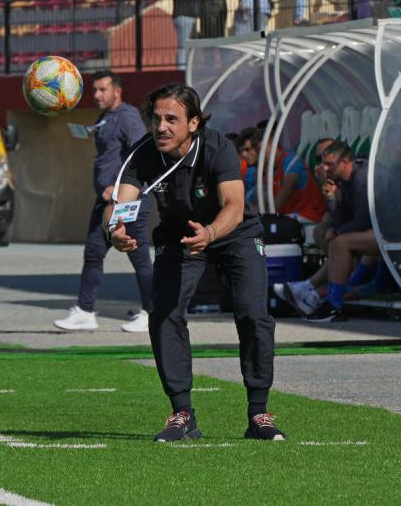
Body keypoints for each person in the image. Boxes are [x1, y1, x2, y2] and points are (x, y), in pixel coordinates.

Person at [106, 83, 285, 442]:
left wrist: (211, 233)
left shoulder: (218, 148)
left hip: (233, 232)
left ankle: (258, 413)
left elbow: (234, 206)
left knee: (253, 314)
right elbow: (119, 206)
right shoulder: (143, 154)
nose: (161, 127)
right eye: (156, 119)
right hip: (179, 236)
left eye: (171, 119)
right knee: (164, 313)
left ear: (194, 123)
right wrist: (115, 231)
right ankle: (183, 414)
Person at [54, 70, 153, 333]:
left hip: (128, 201)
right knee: (93, 253)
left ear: (117, 91)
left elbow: (140, 154)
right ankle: (85, 312)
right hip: (104, 202)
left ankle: (153, 313)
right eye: (94, 90)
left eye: (102, 90)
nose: (97, 95)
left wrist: (118, 186)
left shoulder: (128, 118)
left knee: (139, 256)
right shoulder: (106, 117)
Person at [283, 141, 375, 322]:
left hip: (390, 233)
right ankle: (325, 299)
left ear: (345, 162)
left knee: (340, 241)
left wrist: (338, 230)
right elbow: (344, 218)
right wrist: (331, 197)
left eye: (329, 164)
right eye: (323, 163)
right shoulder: (344, 180)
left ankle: (331, 302)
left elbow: (363, 220)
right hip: (379, 232)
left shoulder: (362, 178)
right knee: (335, 240)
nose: (324, 168)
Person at [236, 126, 326, 223]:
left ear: (272, 145)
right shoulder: (267, 168)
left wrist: (268, 216)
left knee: (269, 226)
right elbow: (264, 197)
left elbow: (286, 191)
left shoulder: (291, 161)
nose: (260, 155)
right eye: (258, 151)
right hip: (288, 215)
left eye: (262, 150)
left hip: (309, 213)